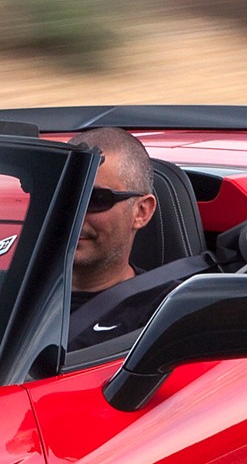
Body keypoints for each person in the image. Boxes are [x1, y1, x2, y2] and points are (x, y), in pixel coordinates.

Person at [60, 122, 198, 351]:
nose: (74, 215)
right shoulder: (3, 292)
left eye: (97, 200)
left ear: (141, 212)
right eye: (64, 197)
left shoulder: (167, 315)